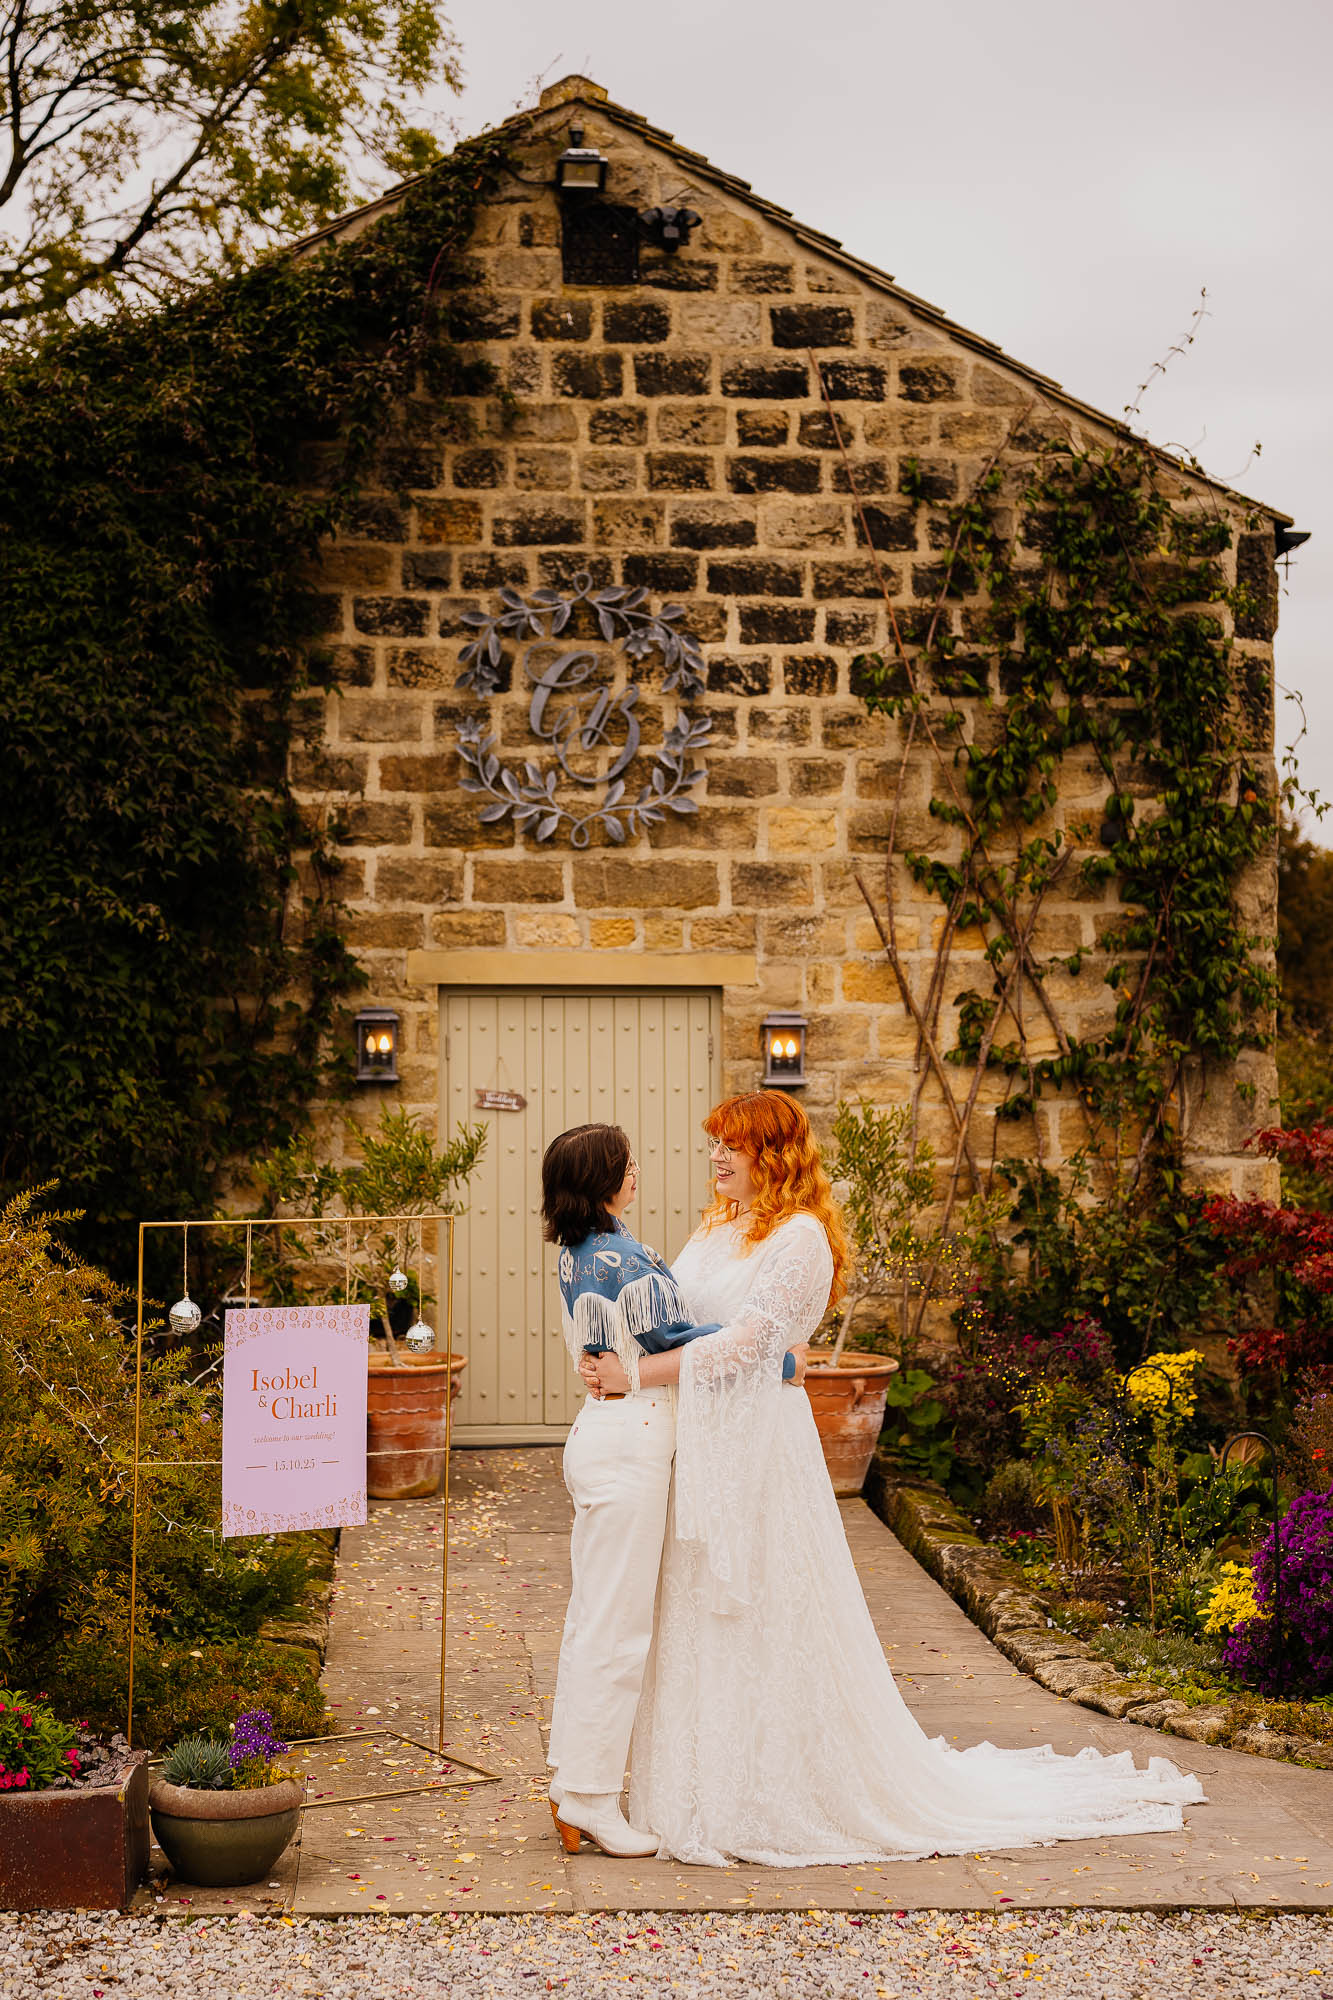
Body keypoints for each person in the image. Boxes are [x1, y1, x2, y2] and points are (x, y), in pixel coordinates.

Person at [582, 1091, 1205, 1868]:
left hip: (760, 1452)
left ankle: (769, 1794)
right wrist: (607, 1343)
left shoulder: (801, 1239)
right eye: (714, 1144)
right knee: (698, 1606)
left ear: (772, 1155)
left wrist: (635, 1375)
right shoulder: (717, 1225)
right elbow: (680, 1318)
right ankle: (693, 1787)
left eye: (730, 1146)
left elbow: (749, 1342)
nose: (715, 1158)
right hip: (705, 1443)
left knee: (760, 1608)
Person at [541, 1120, 805, 1860]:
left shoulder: (575, 1251)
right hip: (632, 1440)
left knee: (593, 1619)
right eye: (626, 1164)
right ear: (603, 1180)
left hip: (600, 1434)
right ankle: (591, 1799)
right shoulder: (625, 1256)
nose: (636, 1173)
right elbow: (680, 1342)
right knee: (616, 1628)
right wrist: (778, 1359)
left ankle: (573, 1785)